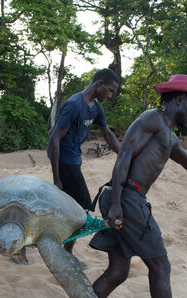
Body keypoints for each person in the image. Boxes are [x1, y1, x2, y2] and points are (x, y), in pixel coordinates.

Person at [51, 74, 187, 298]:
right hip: (126, 199)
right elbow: (124, 155)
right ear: (180, 99)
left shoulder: (169, 135)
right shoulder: (152, 119)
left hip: (125, 199)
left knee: (117, 272)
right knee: (160, 265)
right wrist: (116, 205)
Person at [12, 69, 121, 266]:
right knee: (82, 207)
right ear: (100, 84)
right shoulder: (73, 105)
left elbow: (108, 135)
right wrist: (57, 178)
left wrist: (123, 155)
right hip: (63, 160)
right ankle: (65, 254)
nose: (110, 95)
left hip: (74, 159)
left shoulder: (95, 108)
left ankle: (23, 243)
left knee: (59, 207)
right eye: (110, 90)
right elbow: (54, 139)